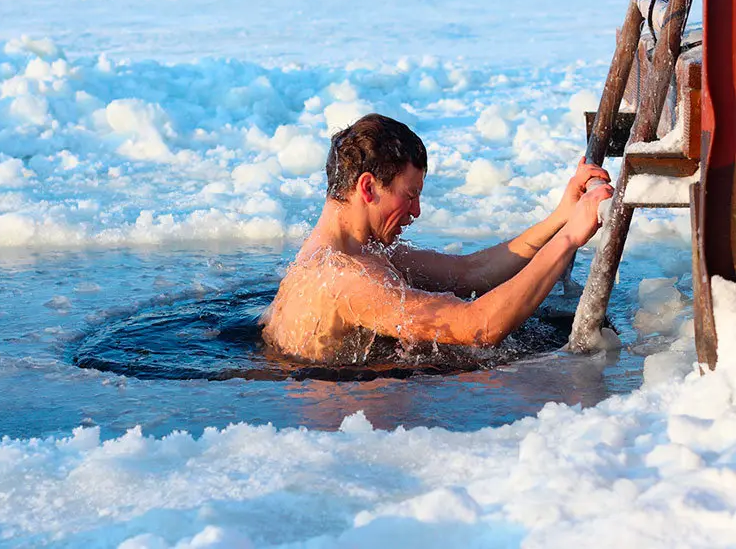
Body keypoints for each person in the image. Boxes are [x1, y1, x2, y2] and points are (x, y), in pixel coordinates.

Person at [261, 113, 612, 363]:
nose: (416, 211)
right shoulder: (348, 279)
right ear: (368, 187)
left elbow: (470, 272)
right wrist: (567, 239)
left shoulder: (351, 253)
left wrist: (561, 216)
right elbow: (478, 327)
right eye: (409, 195)